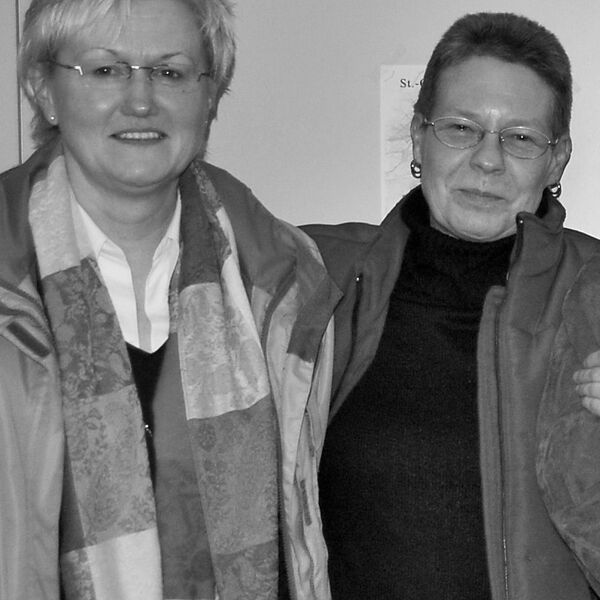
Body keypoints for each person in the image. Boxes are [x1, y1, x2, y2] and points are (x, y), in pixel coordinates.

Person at [7, 0, 338, 597]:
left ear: (209, 97)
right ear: (44, 90)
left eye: (169, 71)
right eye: (105, 70)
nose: (141, 100)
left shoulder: (286, 283)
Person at [304, 12, 600, 600]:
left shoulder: (595, 294)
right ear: (419, 136)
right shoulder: (313, 277)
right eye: (462, 128)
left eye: (520, 137)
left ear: (557, 159)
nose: (488, 160)